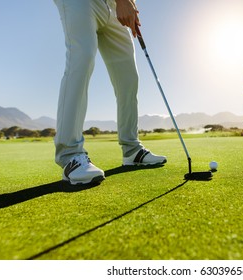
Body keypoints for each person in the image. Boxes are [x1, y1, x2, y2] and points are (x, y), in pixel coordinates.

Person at [53, 0, 166, 186]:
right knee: (82, 60)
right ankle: (69, 155)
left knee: (128, 76)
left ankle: (132, 150)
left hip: (111, 6)